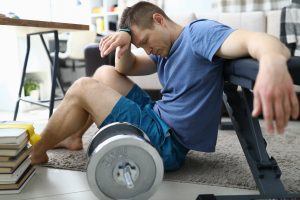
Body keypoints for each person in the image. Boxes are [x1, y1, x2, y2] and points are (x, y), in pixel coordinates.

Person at [31, 1, 299, 171]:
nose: (148, 49)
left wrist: (272, 62)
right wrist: (126, 40)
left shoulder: (199, 35)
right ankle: (73, 136)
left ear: (159, 20)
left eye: (146, 40)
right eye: (142, 46)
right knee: (102, 72)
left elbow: (257, 39)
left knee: (82, 87)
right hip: (157, 120)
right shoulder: (164, 50)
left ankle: (37, 151)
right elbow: (122, 69)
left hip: (165, 143)